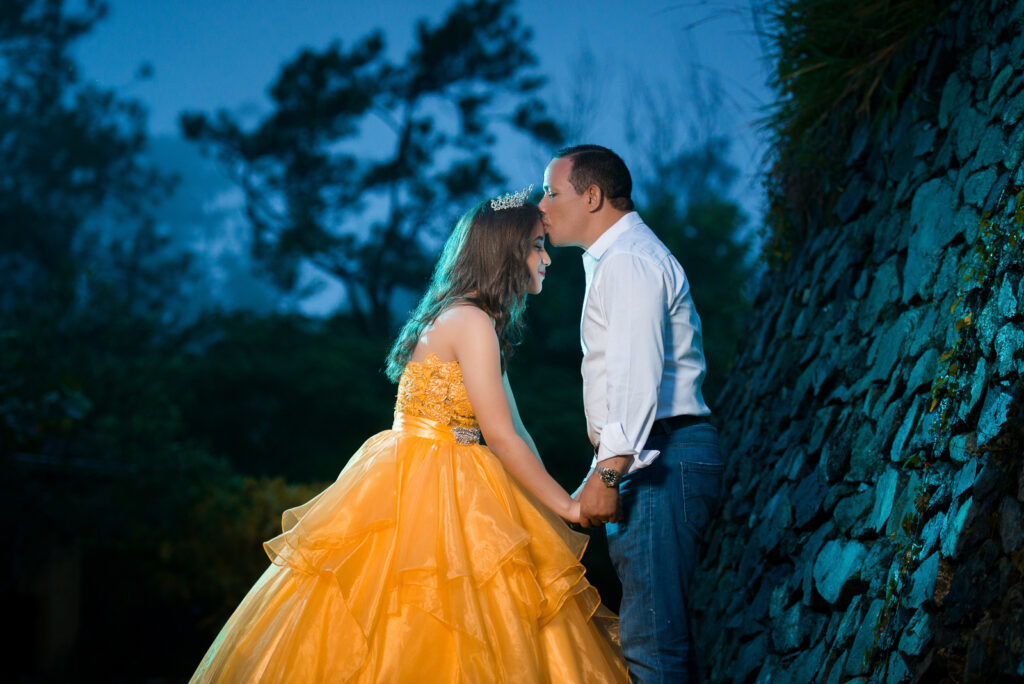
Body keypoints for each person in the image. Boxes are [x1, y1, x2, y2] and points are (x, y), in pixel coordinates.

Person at [190, 190, 628, 683]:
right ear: (504, 252)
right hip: (433, 486)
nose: (546, 258)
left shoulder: (468, 317)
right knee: (428, 619)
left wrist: (554, 506)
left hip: (429, 472)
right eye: (535, 246)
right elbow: (502, 437)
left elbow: (518, 429)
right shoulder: (472, 321)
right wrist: (570, 508)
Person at [537, 145, 724, 684]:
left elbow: (637, 378)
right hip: (654, 455)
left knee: (652, 645)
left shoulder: (629, 261)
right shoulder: (617, 261)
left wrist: (608, 472)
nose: (542, 207)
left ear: (592, 196)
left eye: (553, 192)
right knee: (655, 638)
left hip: (662, 457)